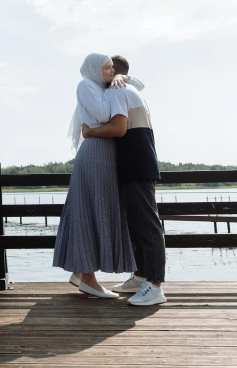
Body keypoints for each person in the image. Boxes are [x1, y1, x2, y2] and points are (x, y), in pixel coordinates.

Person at [82, 55, 166, 306]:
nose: (102, 75)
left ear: (113, 73)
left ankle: (155, 285)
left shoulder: (118, 91)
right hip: (136, 161)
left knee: (147, 226)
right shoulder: (127, 87)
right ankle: (142, 277)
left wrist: (90, 132)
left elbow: (118, 128)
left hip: (135, 162)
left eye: (107, 69)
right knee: (138, 225)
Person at [53, 53, 137, 299]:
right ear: (94, 69)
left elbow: (139, 84)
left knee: (98, 207)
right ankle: (88, 279)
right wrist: (116, 93)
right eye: (107, 68)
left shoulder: (106, 85)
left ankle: (81, 271)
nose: (112, 72)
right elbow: (102, 115)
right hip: (96, 150)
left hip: (105, 149)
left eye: (113, 68)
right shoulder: (86, 85)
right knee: (90, 209)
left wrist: (121, 78)